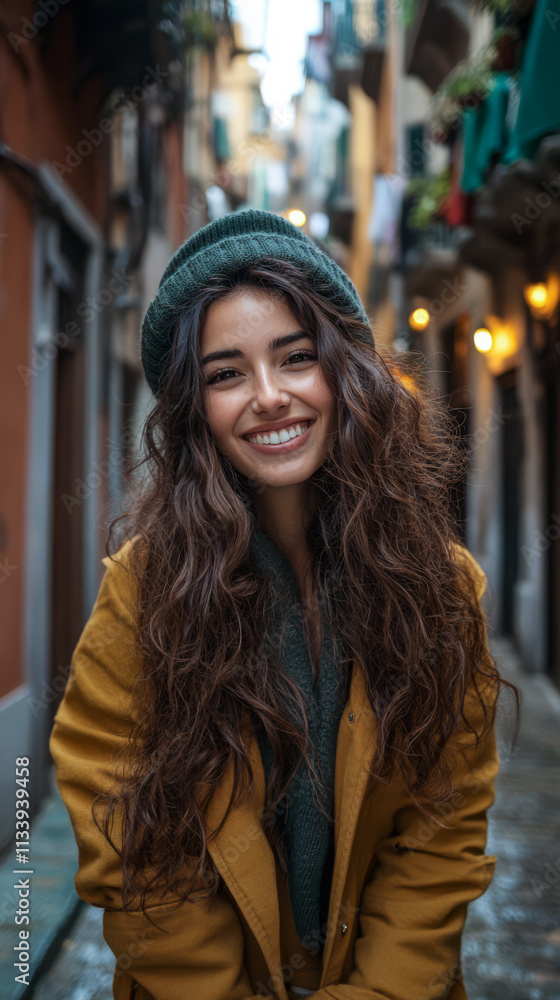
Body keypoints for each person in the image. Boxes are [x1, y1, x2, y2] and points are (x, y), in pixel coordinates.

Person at [50, 209, 519, 1000]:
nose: (269, 397)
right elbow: (131, 841)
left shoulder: (441, 587)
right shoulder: (142, 596)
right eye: (226, 373)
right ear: (193, 408)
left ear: (344, 371)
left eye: (296, 358)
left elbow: (443, 828)